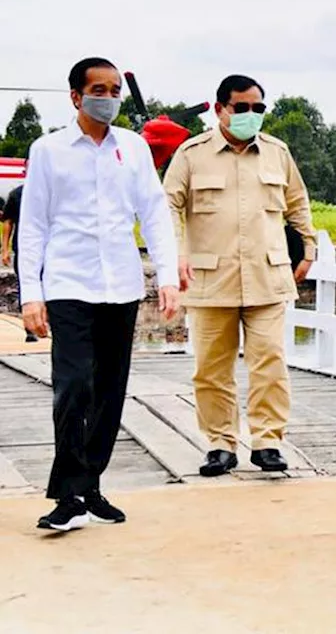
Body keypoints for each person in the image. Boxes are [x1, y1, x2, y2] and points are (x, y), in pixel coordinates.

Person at [18, 57, 181, 531]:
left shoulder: (131, 149)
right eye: (99, 90)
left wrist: (166, 277)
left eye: (114, 91)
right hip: (69, 283)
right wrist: (32, 294)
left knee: (110, 391)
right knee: (73, 386)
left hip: (122, 285)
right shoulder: (48, 150)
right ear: (75, 96)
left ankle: (90, 486)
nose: (108, 98)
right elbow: (33, 226)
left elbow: (154, 215)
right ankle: (68, 497)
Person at [163, 74, 316, 477]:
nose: (250, 115)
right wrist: (176, 256)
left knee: (270, 361)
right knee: (213, 368)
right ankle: (220, 444)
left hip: (267, 276)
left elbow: (298, 204)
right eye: (241, 108)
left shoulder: (277, 153)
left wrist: (309, 248)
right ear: (219, 110)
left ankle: (268, 441)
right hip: (210, 279)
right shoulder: (192, 155)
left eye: (258, 108)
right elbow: (168, 208)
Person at [1, 179, 38, 342]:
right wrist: (5, 249)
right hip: (23, 248)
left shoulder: (50, 191)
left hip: (48, 248)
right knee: (26, 285)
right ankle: (29, 328)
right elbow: (8, 222)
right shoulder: (17, 194)